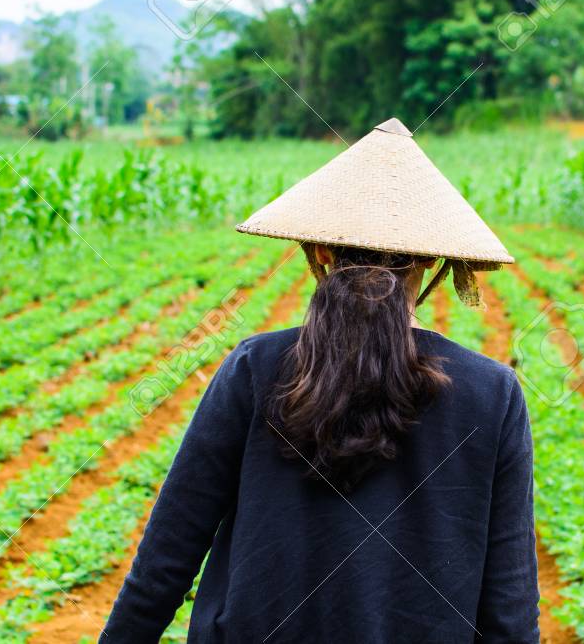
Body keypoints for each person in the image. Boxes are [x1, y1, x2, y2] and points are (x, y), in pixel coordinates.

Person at [101, 118, 538, 642]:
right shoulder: (492, 394)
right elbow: (509, 606)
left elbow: (168, 555)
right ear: (430, 256)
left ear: (322, 250)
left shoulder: (254, 368)